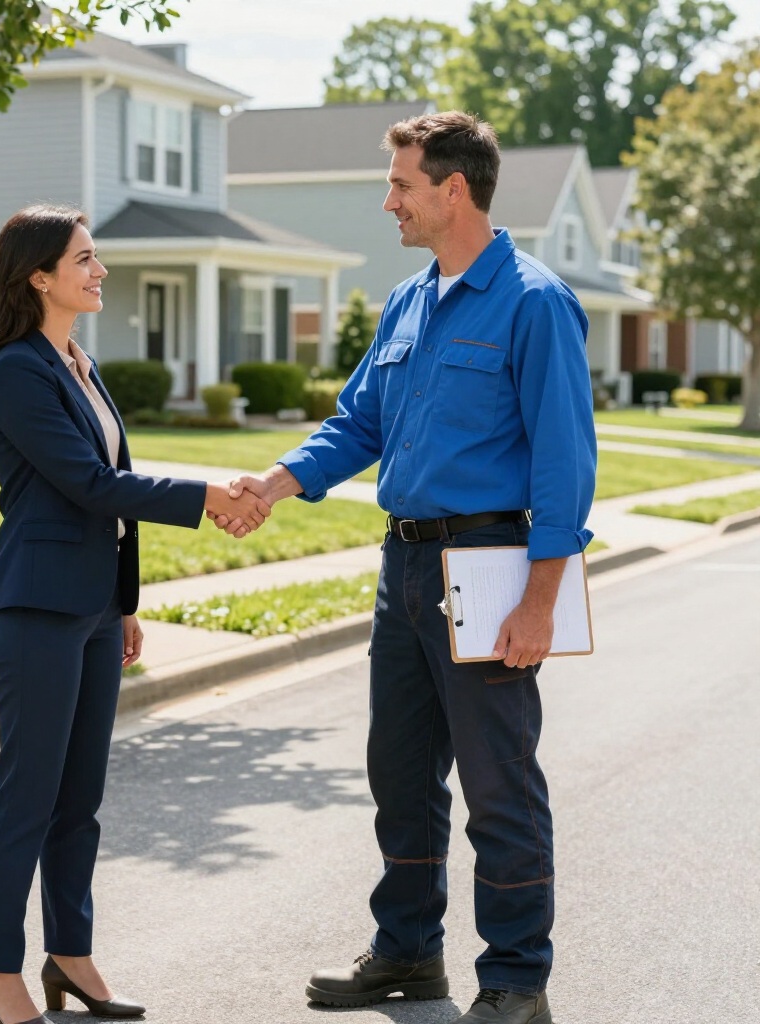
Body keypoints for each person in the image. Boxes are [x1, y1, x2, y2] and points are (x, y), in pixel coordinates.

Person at [211, 112, 596, 1023]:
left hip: (492, 563)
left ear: (452, 189)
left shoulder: (534, 302)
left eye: (401, 186)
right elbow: (359, 423)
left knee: (499, 779)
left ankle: (514, 978)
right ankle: (409, 953)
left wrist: (541, 600)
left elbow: (565, 466)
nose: (389, 201)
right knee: (400, 771)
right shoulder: (408, 300)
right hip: (406, 568)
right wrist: (273, 482)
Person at [0, 203, 270, 1024]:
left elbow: (108, 500)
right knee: (25, 797)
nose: (100, 272)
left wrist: (123, 603)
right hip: (35, 607)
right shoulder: (20, 370)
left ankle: (70, 956)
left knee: (79, 799)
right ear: (38, 276)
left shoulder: (78, 363)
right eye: (85, 259)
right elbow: (90, 488)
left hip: (92, 609)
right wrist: (206, 495)